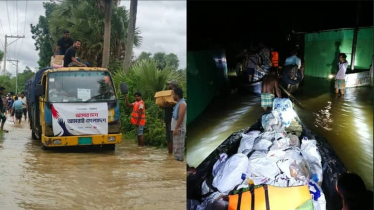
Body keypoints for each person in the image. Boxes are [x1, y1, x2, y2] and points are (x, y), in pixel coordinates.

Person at [171, 88, 187, 161]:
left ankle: (179, 164)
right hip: (177, 129)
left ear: (177, 95)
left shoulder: (182, 104)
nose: (172, 96)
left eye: (173, 94)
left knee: (179, 151)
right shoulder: (178, 103)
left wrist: (176, 128)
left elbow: (181, 117)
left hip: (179, 130)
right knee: (176, 150)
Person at [164, 80, 178, 155]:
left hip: (173, 119)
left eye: (170, 85)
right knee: (168, 138)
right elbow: (165, 107)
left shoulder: (176, 95)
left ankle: (174, 155)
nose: (168, 86)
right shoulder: (168, 95)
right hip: (167, 118)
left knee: (173, 138)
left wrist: (169, 104)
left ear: (174, 86)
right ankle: (170, 155)